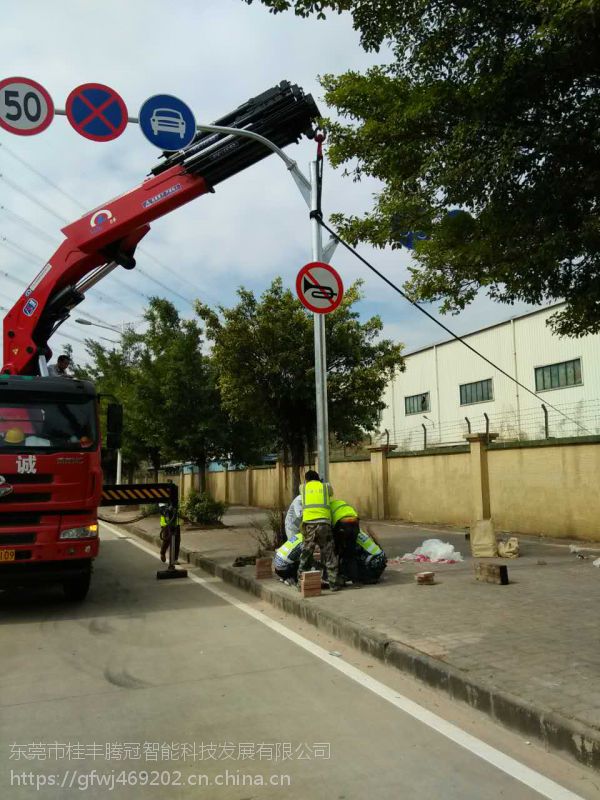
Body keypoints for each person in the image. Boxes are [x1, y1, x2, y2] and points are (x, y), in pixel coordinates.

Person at [297, 470, 341, 592]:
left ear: (306, 479)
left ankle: (300, 583)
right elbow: (331, 493)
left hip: (309, 525)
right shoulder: (326, 486)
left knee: (306, 553)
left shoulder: (303, 487)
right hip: (324, 524)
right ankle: (333, 584)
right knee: (329, 554)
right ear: (318, 479)